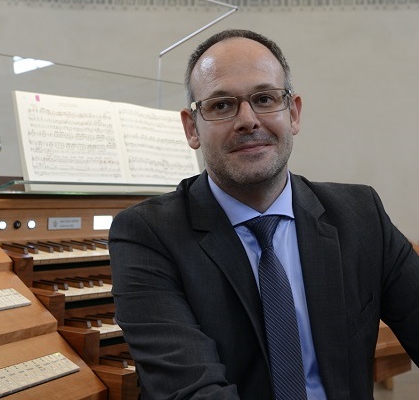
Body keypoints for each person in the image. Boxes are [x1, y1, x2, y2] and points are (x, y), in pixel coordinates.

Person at [109, 28, 419, 399]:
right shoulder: (147, 233)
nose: (248, 120)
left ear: (294, 114)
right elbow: (193, 391)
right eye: (221, 105)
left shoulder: (360, 214)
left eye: (264, 98)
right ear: (192, 128)